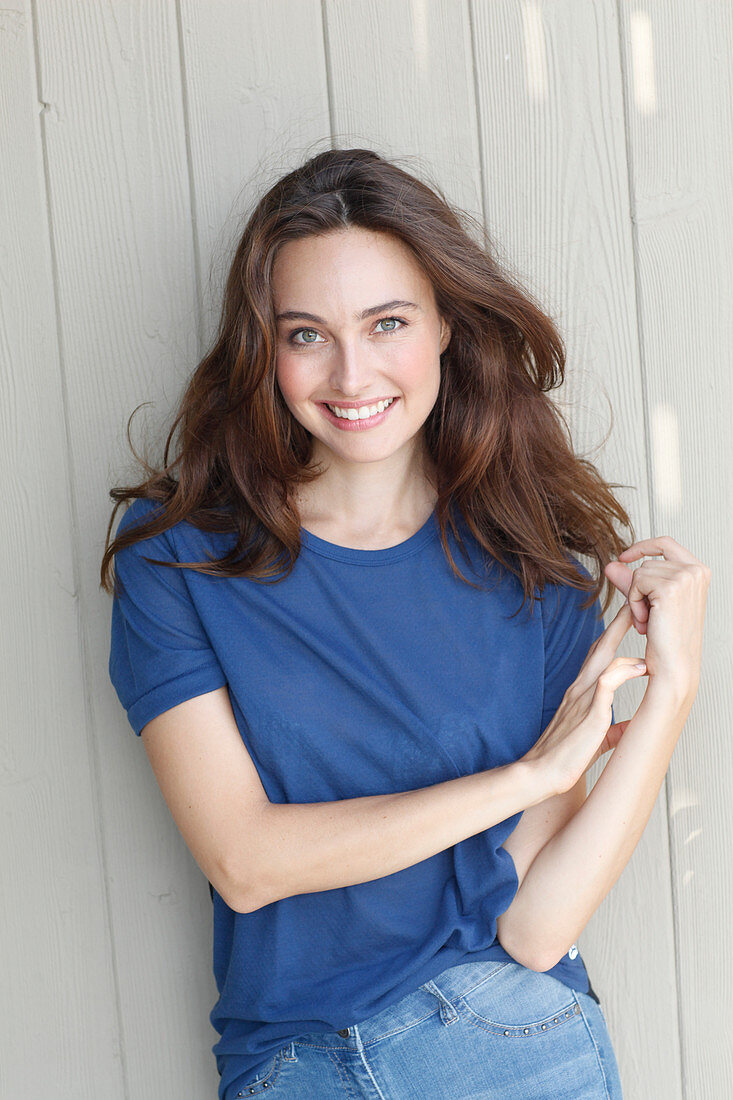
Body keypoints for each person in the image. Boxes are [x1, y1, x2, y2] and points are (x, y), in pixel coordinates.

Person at [101, 148, 710, 1100]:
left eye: (387, 322)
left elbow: (536, 929)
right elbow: (246, 862)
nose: (352, 374)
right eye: (307, 334)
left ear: (444, 330)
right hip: (289, 1064)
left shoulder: (537, 569)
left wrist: (672, 687)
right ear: (265, 350)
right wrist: (525, 776)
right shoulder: (179, 555)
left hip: (503, 1037)